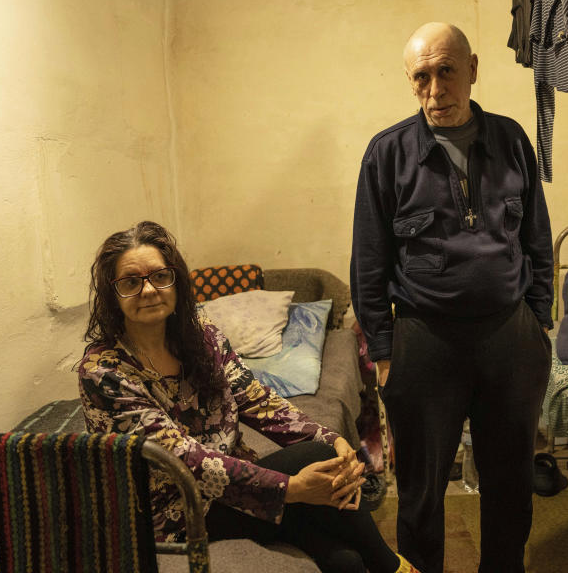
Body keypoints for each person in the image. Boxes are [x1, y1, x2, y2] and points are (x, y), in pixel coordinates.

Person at [79, 221, 419, 573]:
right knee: (316, 463)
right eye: (131, 282)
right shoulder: (104, 372)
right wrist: (291, 487)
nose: (149, 290)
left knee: (345, 560)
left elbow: (258, 401)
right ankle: (394, 567)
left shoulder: (202, 336)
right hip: (173, 511)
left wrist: (334, 439)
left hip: (230, 489)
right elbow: (183, 460)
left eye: (160, 276)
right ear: (112, 294)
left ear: (176, 281)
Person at [350, 23, 555, 573]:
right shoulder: (387, 154)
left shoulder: (512, 140)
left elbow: (536, 235)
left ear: (473, 69)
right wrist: (383, 352)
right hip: (425, 341)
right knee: (420, 493)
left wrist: (539, 324)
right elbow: (369, 262)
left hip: (509, 338)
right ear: (410, 81)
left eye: (446, 72)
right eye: (421, 77)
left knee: (510, 485)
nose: (435, 90)